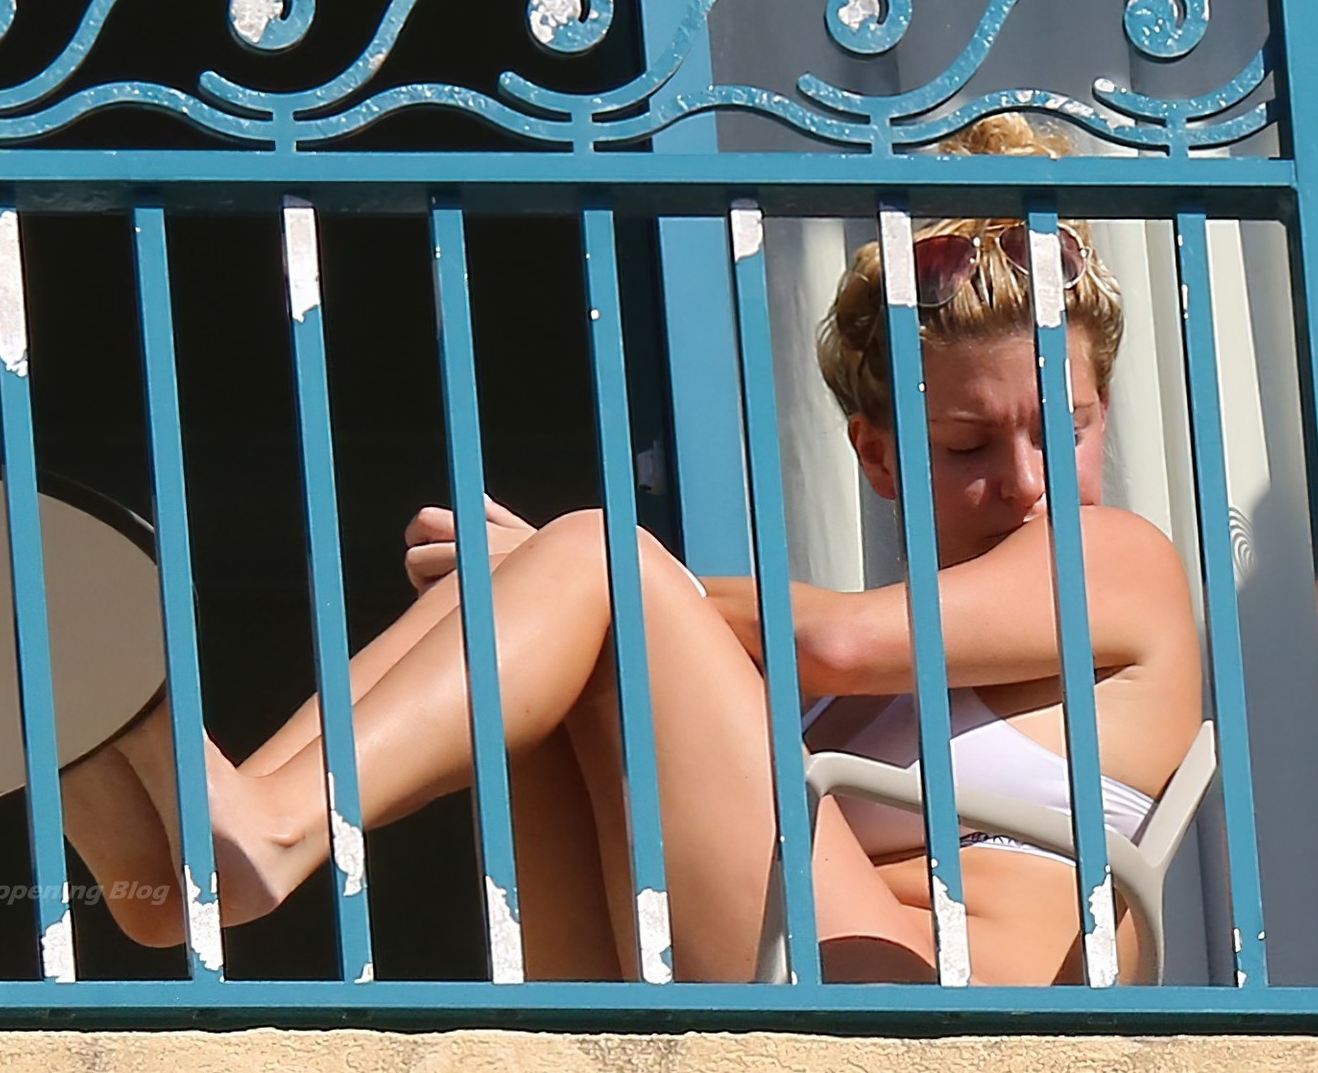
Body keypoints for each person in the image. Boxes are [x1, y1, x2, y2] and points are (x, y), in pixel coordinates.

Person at [58, 114, 1202, 985]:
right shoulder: (832, 673)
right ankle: (183, 862)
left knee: (593, 557)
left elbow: (843, 640)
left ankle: (267, 828)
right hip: (762, 984)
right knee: (539, 610)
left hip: (940, 1022)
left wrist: (586, 566)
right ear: (879, 454)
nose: (1029, 479)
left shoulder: (1119, 560)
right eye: (968, 443)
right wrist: (547, 575)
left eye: (1066, 428)